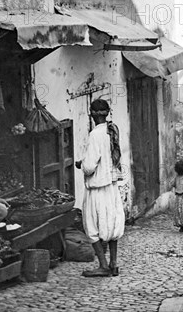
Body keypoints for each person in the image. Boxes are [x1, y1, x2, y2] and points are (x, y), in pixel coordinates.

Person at [78, 99, 125, 277]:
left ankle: (103, 265)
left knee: (92, 226)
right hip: (111, 186)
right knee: (112, 224)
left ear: (91, 114)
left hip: (97, 188)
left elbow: (90, 166)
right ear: (107, 113)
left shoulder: (95, 134)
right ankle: (113, 263)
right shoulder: (112, 130)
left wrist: (80, 164)